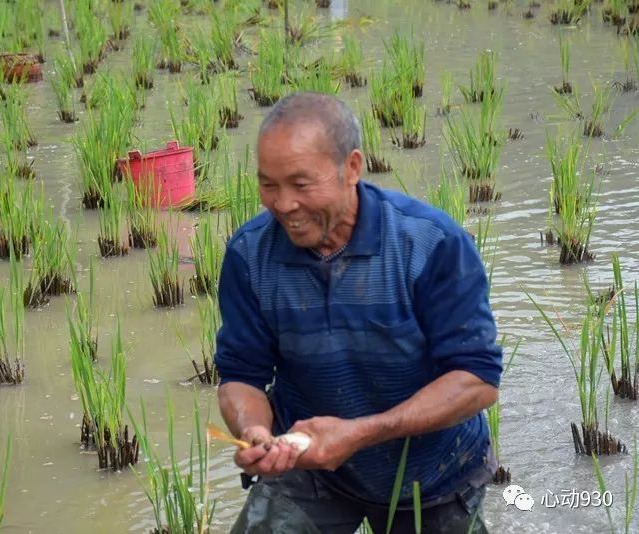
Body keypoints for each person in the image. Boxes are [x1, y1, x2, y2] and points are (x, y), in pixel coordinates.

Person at [214, 92, 503, 534]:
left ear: (352, 167)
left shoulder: (430, 244)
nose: (283, 204)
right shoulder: (250, 254)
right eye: (268, 184)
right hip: (308, 466)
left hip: (435, 474)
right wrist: (255, 430)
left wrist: (361, 432)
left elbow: (477, 380)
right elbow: (241, 374)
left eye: (301, 183)